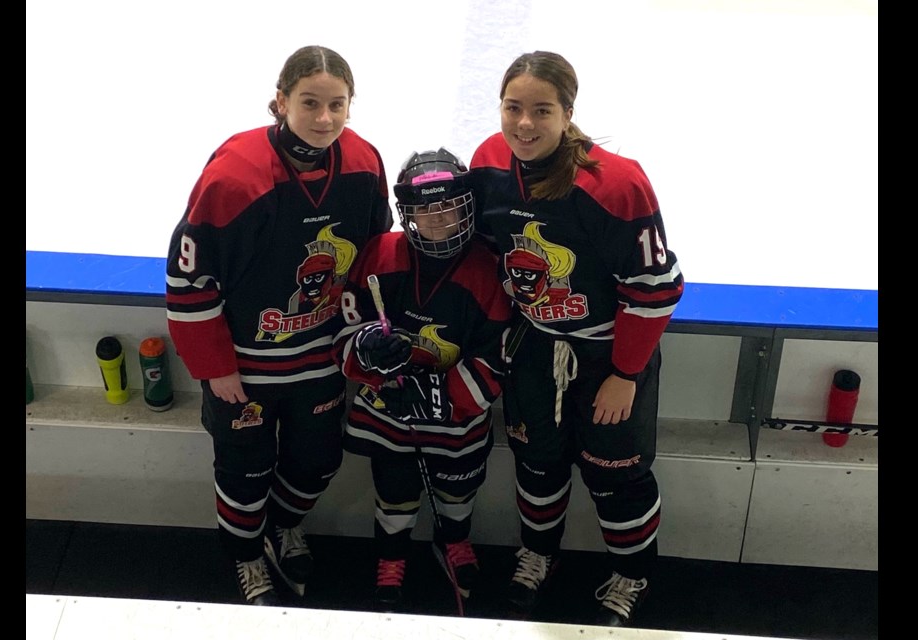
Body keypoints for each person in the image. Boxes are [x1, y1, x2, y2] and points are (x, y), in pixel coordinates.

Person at [165, 45, 392, 607]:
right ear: (280, 100)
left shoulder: (363, 162)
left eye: (337, 104)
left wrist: (365, 336)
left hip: (321, 357)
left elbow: (374, 256)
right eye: (310, 102)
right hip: (246, 366)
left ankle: (283, 524)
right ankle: (245, 556)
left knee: (318, 460)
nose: (324, 118)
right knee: (244, 469)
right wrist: (215, 368)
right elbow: (190, 279)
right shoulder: (236, 176)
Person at [468, 51, 684, 627]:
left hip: (606, 356)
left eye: (542, 110)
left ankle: (632, 572)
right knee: (537, 465)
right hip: (535, 347)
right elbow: (489, 257)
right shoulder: (488, 161)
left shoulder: (615, 182)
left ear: (568, 112)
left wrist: (625, 373)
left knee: (618, 476)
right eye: (513, 108)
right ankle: (538, 554)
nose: (525, 124)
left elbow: (656, 287)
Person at [332, 148, 512, 613]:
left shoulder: (489, 269)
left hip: (457, 424)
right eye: (424, 208)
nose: (437, 217)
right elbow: (344, 334)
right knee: (394, 493)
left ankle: (454, 541)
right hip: (389, 419)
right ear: (405, 214)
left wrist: (440, 395)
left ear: (467, 205)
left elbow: (498, 356)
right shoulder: (380, 254)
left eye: (449, 205)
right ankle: (391, 556)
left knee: (458, 490)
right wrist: (368, 348)